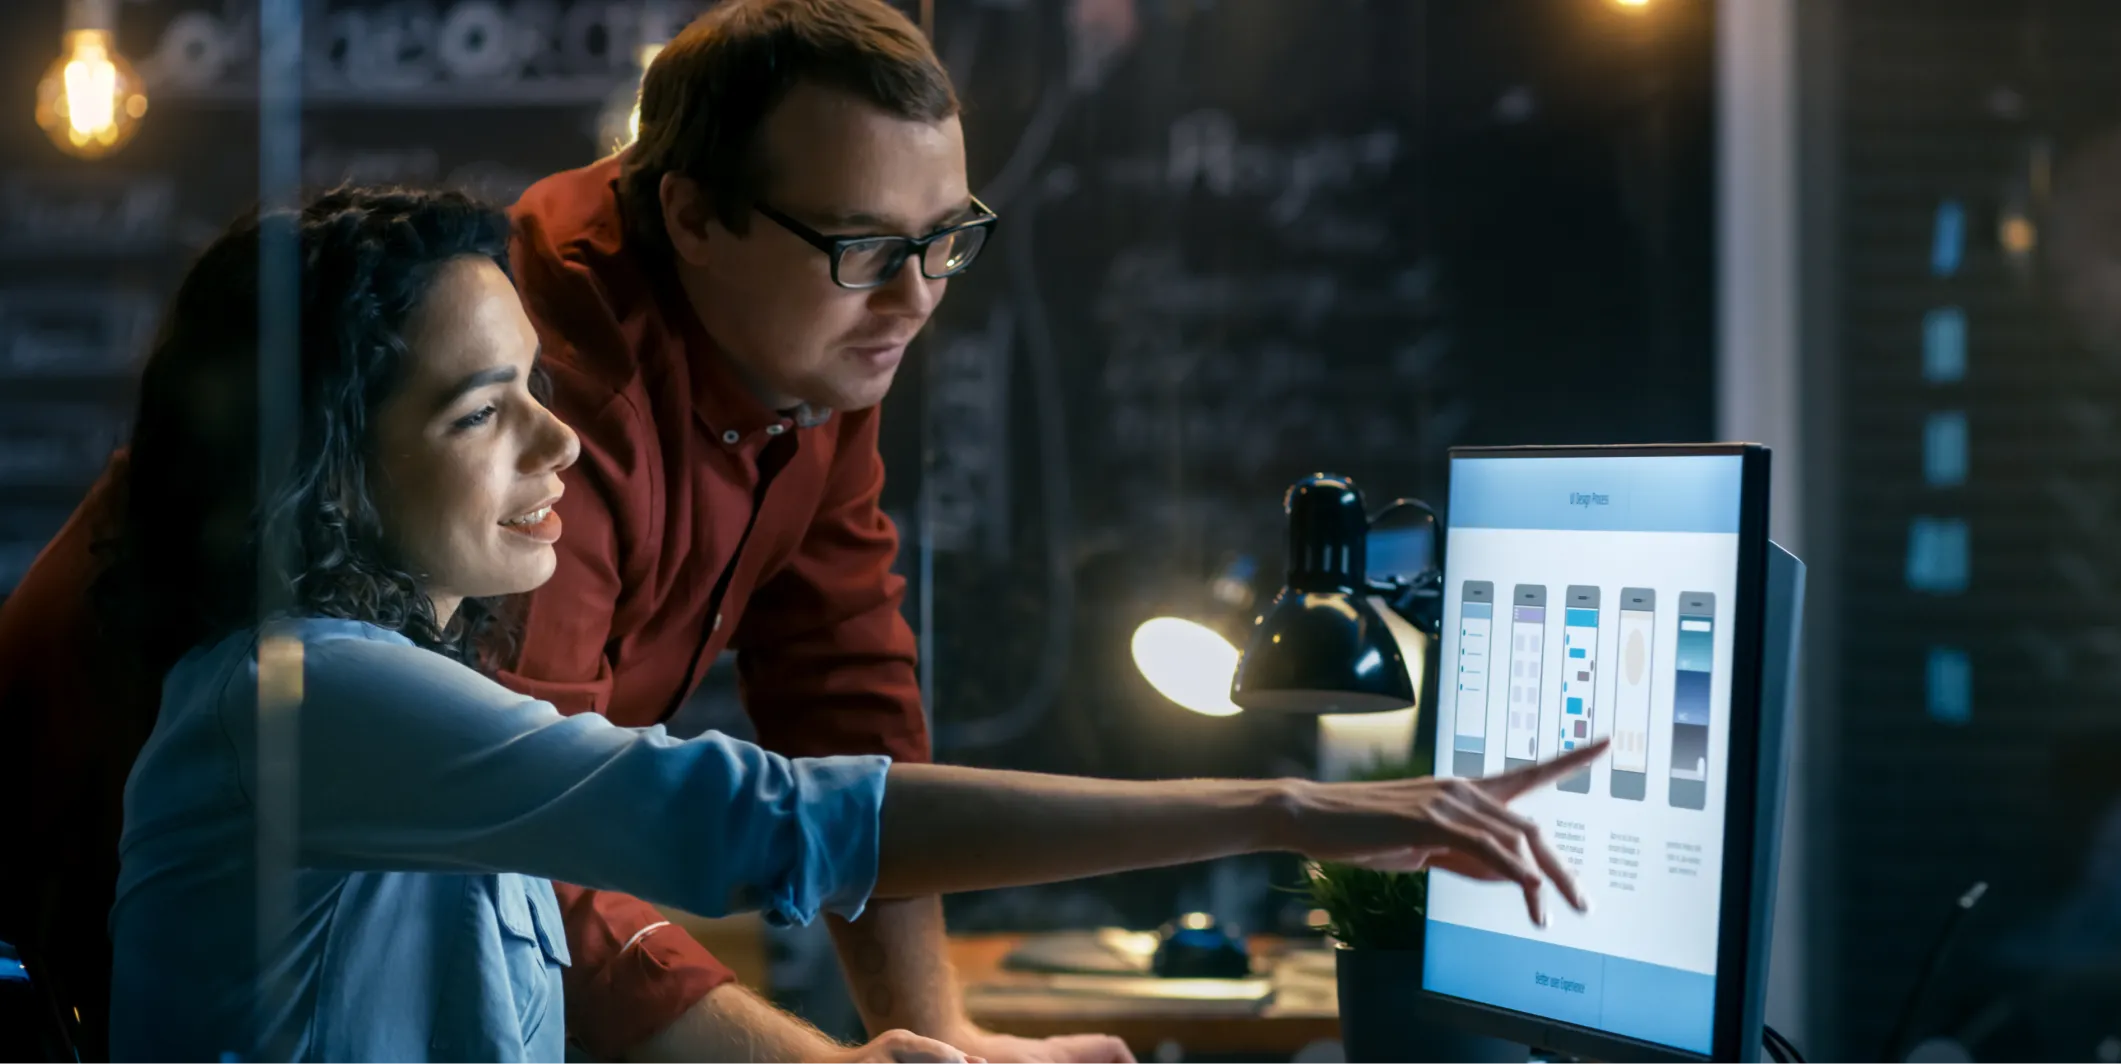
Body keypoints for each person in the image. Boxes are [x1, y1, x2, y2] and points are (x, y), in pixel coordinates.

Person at [99, 185, 1601, 1064]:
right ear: (328, 461)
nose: (559, 449)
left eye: (542, 393)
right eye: (488, 413)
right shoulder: (299, 696)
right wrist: (1295, 809)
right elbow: (759, 819)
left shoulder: (398, 708)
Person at [491, 1, 1109, 1057]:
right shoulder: (547, 392)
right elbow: (523, 830)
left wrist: (935, 1030)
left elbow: (845, 692)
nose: (916, 300)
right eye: (866, 245)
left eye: (945, 239)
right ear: (691, 216)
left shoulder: (810, 328)